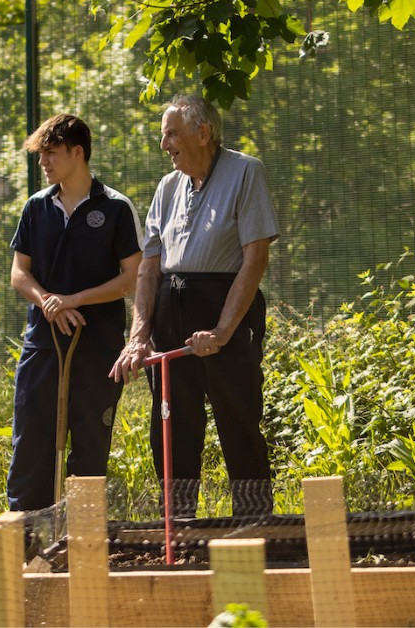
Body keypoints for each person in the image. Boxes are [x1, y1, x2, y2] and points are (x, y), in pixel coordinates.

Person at [110, 95, 280, 516]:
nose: (164, 144)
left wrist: (222, 331)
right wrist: (138, 338)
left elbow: (256, 258)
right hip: (172, 309)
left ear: (202, 133)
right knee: (171, 425)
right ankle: (179, 523)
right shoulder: (167, 187)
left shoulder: (245, 171)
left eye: (171, 133)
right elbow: (149, 268)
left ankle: (254, 521)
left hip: (224, 307)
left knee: (238, 418)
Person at [7, 114, 143, 510]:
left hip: (98, 350)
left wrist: (75, 300)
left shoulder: (116, 207)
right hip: (42, 347)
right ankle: (27, 542)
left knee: (89, 449)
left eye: (50, 153)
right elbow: (19, 274)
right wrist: (48, 301)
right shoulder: (36, 207)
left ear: (77, 152)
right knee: (31, 443)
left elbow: (132, 278)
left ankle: (83, 544)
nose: (42, 163)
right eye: (40, 155)